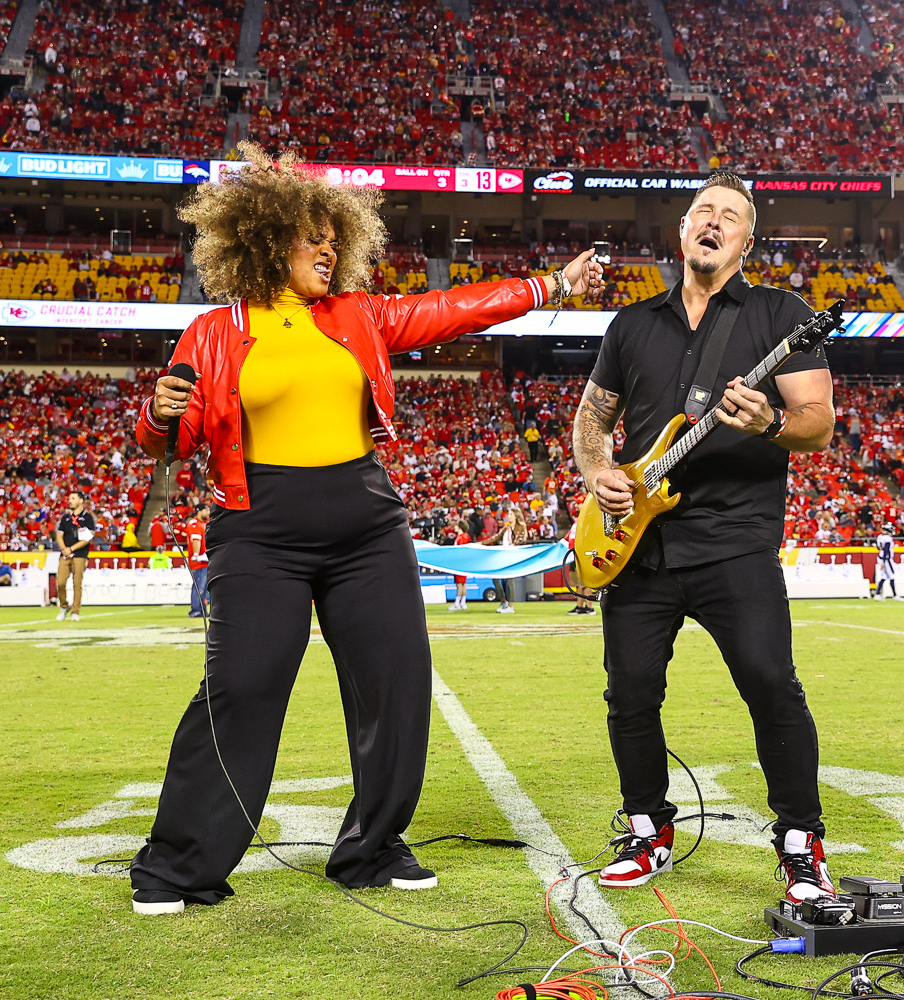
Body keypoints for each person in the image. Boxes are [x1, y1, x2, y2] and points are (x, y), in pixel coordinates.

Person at [127, 143, 604, 915]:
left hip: (366, 528)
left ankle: (372, 849)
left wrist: (549, 283)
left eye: (333, 237)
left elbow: (452, 309)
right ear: (262, 239)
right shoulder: (212, 331)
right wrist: (156, 416)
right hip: (258, 531)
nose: (327, 247)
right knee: (241, 690)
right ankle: (177, 866)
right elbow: (169, 440)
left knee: (396, 686)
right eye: (310, 236)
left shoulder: (355, 316)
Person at [572, 171, 839, 904]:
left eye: (729, 216)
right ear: (681, 232)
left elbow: (819, 419)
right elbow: (593, 419)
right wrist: (600, 472)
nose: (712, 222)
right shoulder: (632, 324)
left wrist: (771, 423)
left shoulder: (782, 315)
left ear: (746, 242)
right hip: (639, 545)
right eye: (702, 212)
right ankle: (647, 826)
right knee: (629, 694)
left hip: (735, 541)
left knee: (770, 686)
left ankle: (800, 840)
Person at [55, 492, 96, 621]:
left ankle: (75, 611)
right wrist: (64, 549)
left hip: (80, 554)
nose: (70, 500)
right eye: (69, 498)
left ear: (81, 501)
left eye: (73, 498)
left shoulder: (88, 518)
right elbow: (59, 535)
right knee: (60, 583)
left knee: (77, 584)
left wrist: (71, 549)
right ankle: (64, 606)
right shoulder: (65, 518)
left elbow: (88, 538)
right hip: (65, 555)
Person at [492, 507, 529, 614]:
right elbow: (495, 537)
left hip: (512, 556)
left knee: (510, 580)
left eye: (511, 514)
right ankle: (503, 601)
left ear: (516, 516)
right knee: (495, 579)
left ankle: (510, 605)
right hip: (503, 556)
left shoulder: (520, 527)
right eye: (508, 514)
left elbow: (520, 540)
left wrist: (513, 545)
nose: (509, 516)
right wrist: (481, 544)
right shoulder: (506, 527)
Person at [185, 507, 210, 618]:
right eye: (206, 510)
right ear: (199, 511)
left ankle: (202, 610)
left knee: (202, 588)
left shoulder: (200, 524)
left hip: (203, 560)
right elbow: (196, 539)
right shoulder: (195, 524)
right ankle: (196, 610)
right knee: (199, 587)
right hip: (199, 561)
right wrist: (196, 555)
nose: (208, 512)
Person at [448, 519, 473, 611]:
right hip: (463, 563)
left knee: (459, 584)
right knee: (462, 584)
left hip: (460, 563)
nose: (454, 527)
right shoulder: (463, 536)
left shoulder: (462, 537)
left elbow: (461, 551)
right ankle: (462, 602)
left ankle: (457, 603)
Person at [874, 529, 902, 600]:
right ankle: (895, 595)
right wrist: (884, 561)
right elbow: (886, 549)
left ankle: (877, 594)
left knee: (883, 576)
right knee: (891, 576)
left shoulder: (880, 537)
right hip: (886, 559)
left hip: (881, 557)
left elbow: (878, 547)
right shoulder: (887, 538)